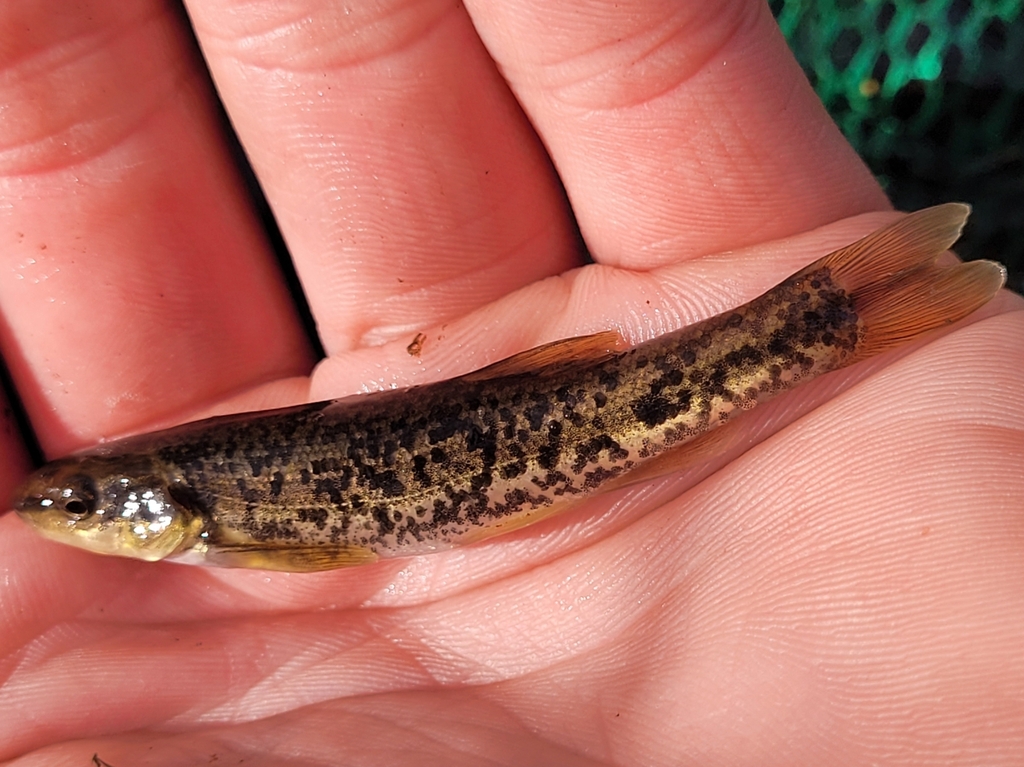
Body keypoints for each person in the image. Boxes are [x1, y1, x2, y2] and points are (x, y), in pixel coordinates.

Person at [0, 1, 1021, 763]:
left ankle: (822, 322)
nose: (61, 514)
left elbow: (327, 545)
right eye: (76, 500)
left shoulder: (210, 511)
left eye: (82, 503)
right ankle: (829, 319)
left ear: (148, 497)